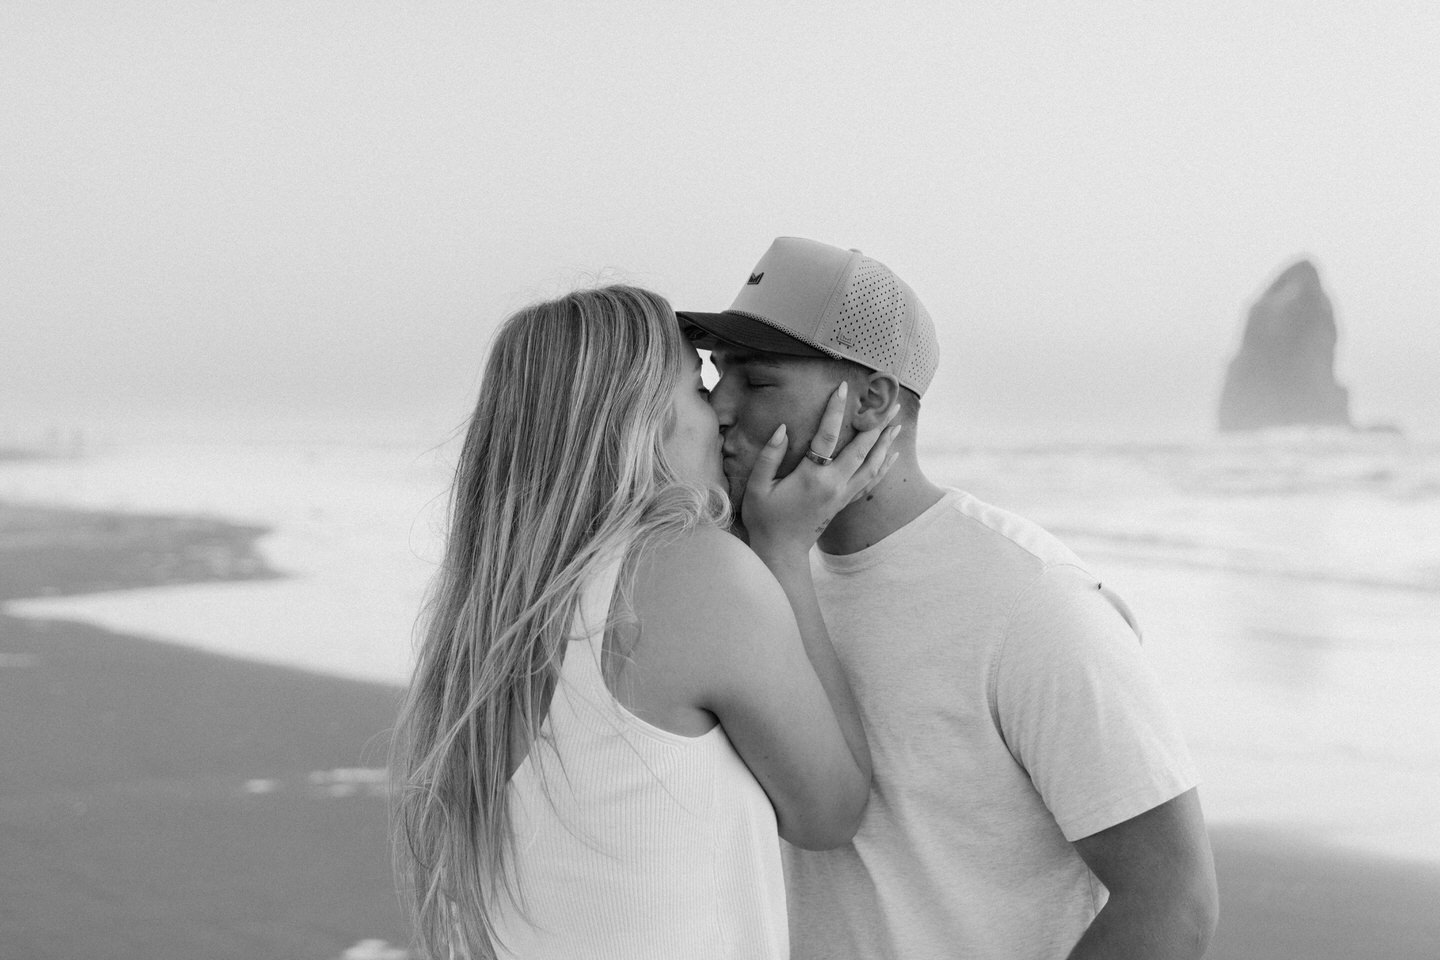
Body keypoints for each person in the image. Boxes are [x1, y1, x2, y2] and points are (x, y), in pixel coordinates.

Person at [679, 237, 1220, 960]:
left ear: (870, 399)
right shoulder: (744, 573)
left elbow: (1174, 901)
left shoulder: (1031, 602)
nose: (720, 407)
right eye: (718, 376)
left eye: (759, 381)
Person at [389, 284, 901, 960]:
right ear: (637, 419)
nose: (720, 414)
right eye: (696, 388)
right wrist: (782, 552)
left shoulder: (488, 615)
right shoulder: (696, 573)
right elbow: (830, 812)